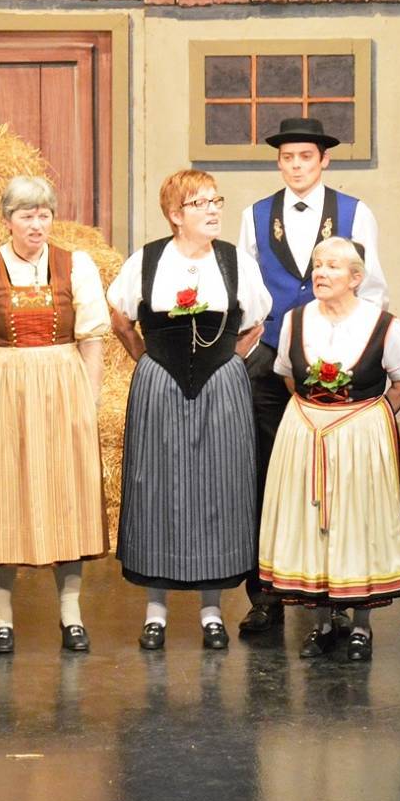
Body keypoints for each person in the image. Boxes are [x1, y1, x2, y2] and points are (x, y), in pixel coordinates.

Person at [235, 117, 388, 635]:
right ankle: (267, 595)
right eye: (287, 158)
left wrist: (353, 350)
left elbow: (373, 288)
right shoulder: (255, 215)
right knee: (266, 475)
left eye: (306, 157)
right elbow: (248, 292)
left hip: (335, 364)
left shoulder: (354, 212)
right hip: (272, 358)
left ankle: (339, 594)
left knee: (336, 479)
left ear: (325, 160)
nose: (296, 166)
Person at [108, 169, 271, 650]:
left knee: (218, 486)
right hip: (160, 383)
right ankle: (155, 613)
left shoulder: (237, 262)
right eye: (201, 203)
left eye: (216, 201)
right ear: (175, 214)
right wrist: (145, 358)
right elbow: (119, 316)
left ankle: (212, 612)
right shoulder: (147, 260)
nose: (213, 210)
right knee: (156, 486)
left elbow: (256, 323)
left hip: (221, 386)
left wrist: (227, 361)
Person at [0, 177, 110, 654]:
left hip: (62, 388)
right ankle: (1, 618)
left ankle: (71, 614)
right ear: (8, 221)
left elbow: (92, 338)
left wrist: (88, 398)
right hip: (5, 389)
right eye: (26, 216)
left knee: (68, 496)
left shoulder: (75, 264)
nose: (37, 225)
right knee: (3, 497)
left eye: (44, 215)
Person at [257, 237, 400, 661]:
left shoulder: (384, 325)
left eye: (332, 266)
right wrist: (315, 415)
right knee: (313, 525)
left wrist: (368, 421)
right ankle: (324, 624)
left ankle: (361, 626)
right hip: (306, 433)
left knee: (356, 524)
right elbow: (288, 375)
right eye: (317, 265)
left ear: (356, 278)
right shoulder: (295, 320)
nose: (321, 273)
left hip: (358, 437)